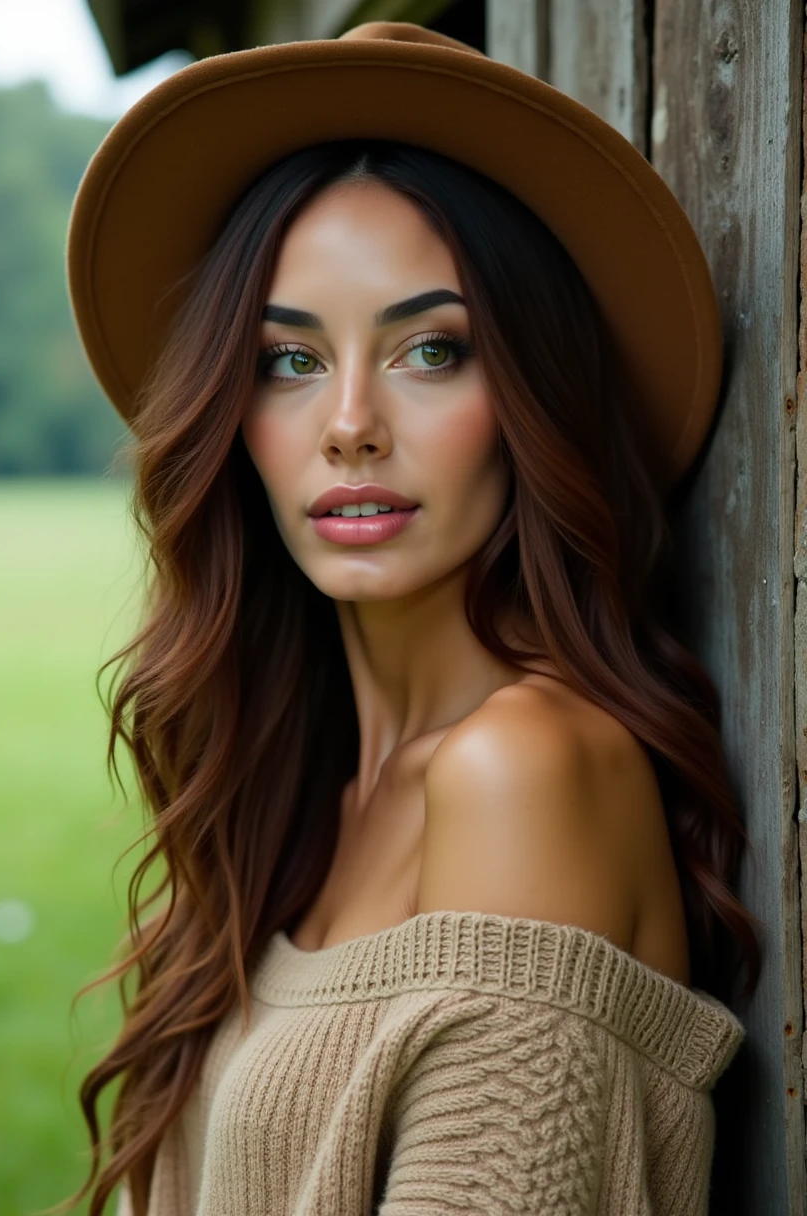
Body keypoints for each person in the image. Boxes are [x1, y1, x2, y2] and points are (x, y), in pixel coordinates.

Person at [61, 21, 761, 1216]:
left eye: (430, 350)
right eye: (287, 362)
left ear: (535, 397)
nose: (348, 423)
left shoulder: (523, 770)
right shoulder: (291, 796)